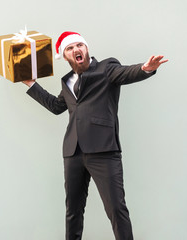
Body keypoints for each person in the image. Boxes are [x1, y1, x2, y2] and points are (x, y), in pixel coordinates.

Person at [22, 31, 168, 240]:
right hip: (73, 152)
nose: (76, 50)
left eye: (80, 45)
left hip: (103, 150)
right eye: (70, 48)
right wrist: (31, 84)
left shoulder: (107, 68)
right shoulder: (67, 81)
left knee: (116, 209)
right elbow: (56, 106)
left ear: (86, 48)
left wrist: (145, 69)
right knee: (73, 211)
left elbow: (126, 73)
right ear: (65, 56)